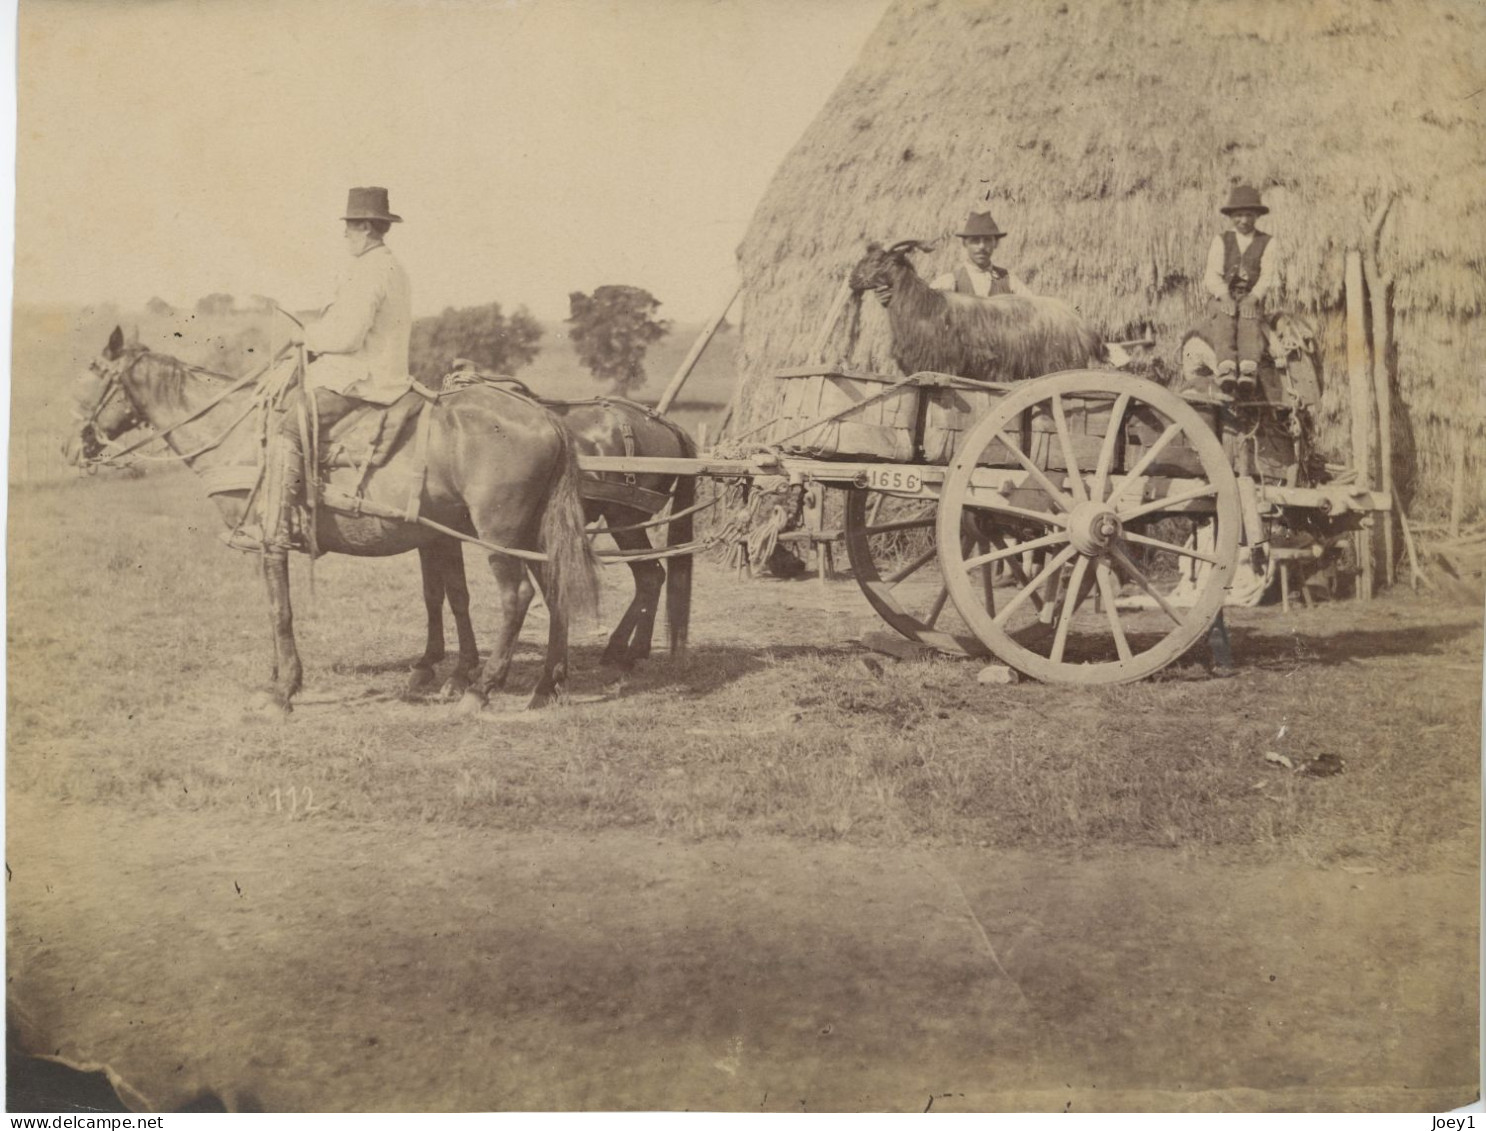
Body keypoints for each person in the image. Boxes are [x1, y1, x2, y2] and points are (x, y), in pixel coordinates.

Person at [235, 187, 412, 551]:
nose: (344, 233)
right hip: (380, 375)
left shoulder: (371, 270)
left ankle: (280, 526)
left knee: (290, 423)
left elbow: (347, 336)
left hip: (365, 381)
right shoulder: (388, 266)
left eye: (349, 226)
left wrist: (307, 339)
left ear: (365, 227)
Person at [1201, 184, 1278, 397]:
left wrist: (1253, 298)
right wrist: (1224, 295)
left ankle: (1248, 369)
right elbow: (1212, 274)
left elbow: (1267, 276)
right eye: (1239, 215)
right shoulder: (1221, 240)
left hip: (1250, 295)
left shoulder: (1267, 242)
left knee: (1249, 317)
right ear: (1231, 216)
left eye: (1249, 215)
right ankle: (1226, 367)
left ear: (1256, 216)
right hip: (1225, 294)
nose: (1244, 220)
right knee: (1225, 315)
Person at [930, 209, 1032, 297]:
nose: (982, 246)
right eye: (975, 240)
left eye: (987, 240)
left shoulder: (1009, 281)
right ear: (965, 243)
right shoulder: (950, 282)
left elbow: (1035, 307)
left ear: (995, 243)